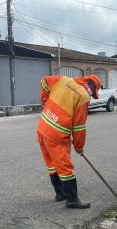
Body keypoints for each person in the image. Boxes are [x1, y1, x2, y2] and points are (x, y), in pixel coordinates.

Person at [37, 75, 102, 209]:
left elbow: (44, 81)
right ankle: (72, 200)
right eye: (93, 92)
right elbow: (79, 127)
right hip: (57, 134)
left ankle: (60, 193)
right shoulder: (83, 97)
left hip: (43, 127)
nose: (91, 95)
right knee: (65, 167)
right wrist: (79, 147)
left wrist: (45, 101)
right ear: (92, 88)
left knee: (52, 164)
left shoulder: (64, 80)